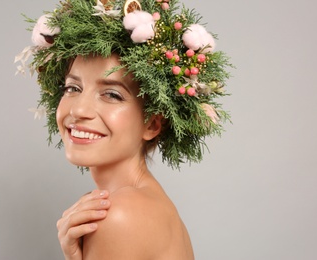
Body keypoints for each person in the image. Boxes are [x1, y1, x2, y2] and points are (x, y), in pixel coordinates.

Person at [15, 0, 232, 259]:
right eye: (73, 88)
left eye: (111, 94)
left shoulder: (120, 214)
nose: (79, 110)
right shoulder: (144, 202)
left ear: (151, 124)